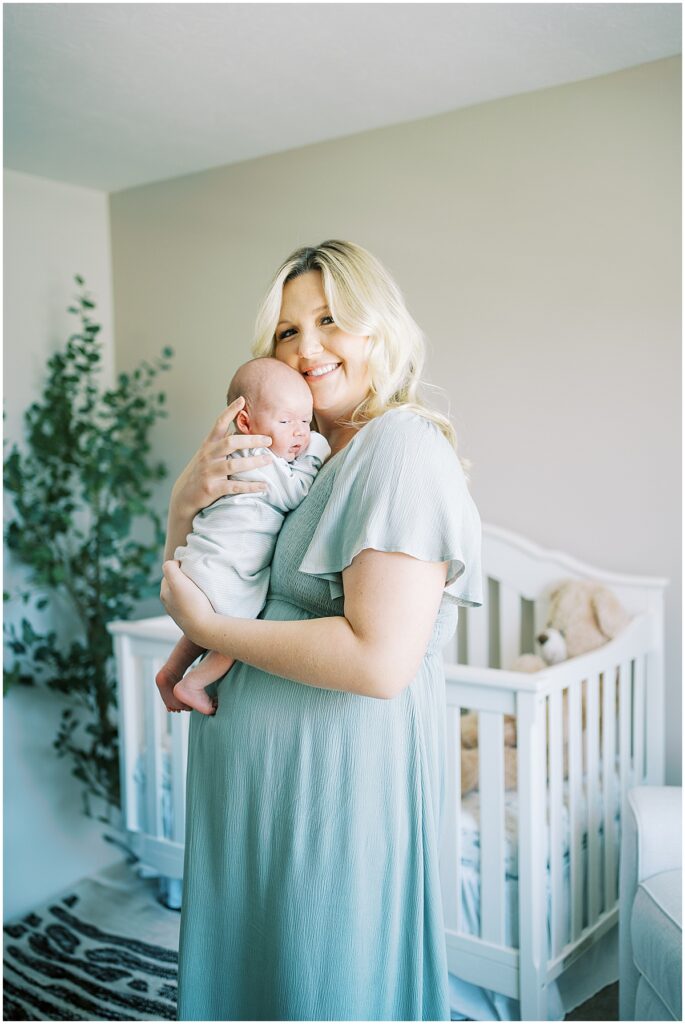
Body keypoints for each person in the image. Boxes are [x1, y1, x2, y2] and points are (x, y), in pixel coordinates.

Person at [159, 239, 483, 1021]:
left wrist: (208, 629)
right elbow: (208, 568)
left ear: (377, 330)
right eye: (285, 332)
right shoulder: (296, 458)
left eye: (330, 320)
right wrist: (180, 506)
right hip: (249, 785)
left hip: (331, 789)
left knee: (325, 984)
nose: (306, 350)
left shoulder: (399, 448)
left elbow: (378, 662)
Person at [156, 356, 330, 715]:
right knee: (232, 633)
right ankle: (193, 683)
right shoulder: (260, 461)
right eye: (285, 421)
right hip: (224, 565)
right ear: (246, 422)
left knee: (202, 625)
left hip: (202, 561)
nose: (300, 432)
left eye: (305, 421)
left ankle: (171, 671)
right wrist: (317, 450)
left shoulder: (233, 453)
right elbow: (295, 493)